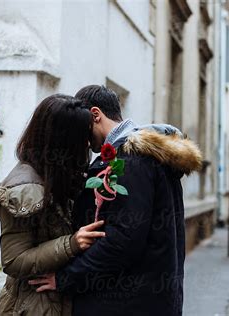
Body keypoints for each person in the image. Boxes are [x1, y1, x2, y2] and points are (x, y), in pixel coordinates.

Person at [31, 85, 203, 316]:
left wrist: (66, 278)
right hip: (147, 298)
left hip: (127, 303)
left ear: (95, 115)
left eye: (83, 125)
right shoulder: (145, 157)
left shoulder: (131, 161)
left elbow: (123, 240)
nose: (81, 136)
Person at [0, 94, 106, 315]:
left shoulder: (60, 177)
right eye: (82, 137)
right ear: (65, 141)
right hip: (31, 307)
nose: (87, 143)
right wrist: (71, 244)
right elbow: (13, 260)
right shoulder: (25, 190)